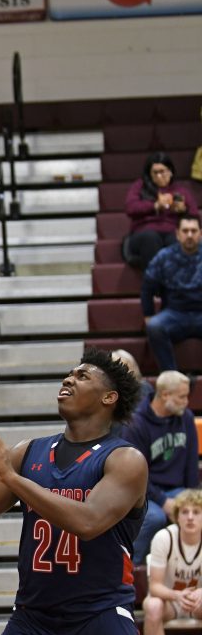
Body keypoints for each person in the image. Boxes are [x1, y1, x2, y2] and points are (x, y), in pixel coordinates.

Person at [0, 348, 147, 635]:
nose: (69, 378)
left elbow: (88, 522)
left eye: (82, 376)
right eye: (70, 373)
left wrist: (13, 480)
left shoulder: (126, 459)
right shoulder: (29, 452)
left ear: (109, 398)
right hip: (34, 619)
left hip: (101, 615)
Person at [123, 370, 199, 565]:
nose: (186, 402)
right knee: (154, 518)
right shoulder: (136, 424)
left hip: (177, 490)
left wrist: (191, 498)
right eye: (182, 397)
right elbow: (135, 475)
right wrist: (164, 501)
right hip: (145, 493)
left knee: (195, 511)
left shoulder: (186, 417)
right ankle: (132, 567)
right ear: (165, 395)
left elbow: (191, 464)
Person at [143, 488, 202, 635]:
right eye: (185, 512)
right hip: (170, 602)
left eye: (196, 512)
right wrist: (177, 596)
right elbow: (154, 587)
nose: (190, 517)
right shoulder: (164, 538)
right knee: (153, 606)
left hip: (198, 602)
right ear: (177, 516)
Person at [143, 214, 202, 372]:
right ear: (177, 233)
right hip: (174, 313)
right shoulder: (164, 256)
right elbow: (148, 285)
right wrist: (148, 315)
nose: (189, 235)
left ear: (200, 233)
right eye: (185, 230)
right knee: (154, 326)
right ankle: (171, 376)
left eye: (194, 230)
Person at [124, 152, 199, 270]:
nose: (159, 176)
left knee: (177, 240)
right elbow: (130, 208)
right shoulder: (140, 186)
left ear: (170, 172)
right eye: (155, 173)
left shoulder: (180, 190)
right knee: (151, 238)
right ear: (149, 173)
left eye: (162, 171)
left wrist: (183, 210)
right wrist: (155, 206)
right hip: (144, 232)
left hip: (171, 231)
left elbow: (194, 215)